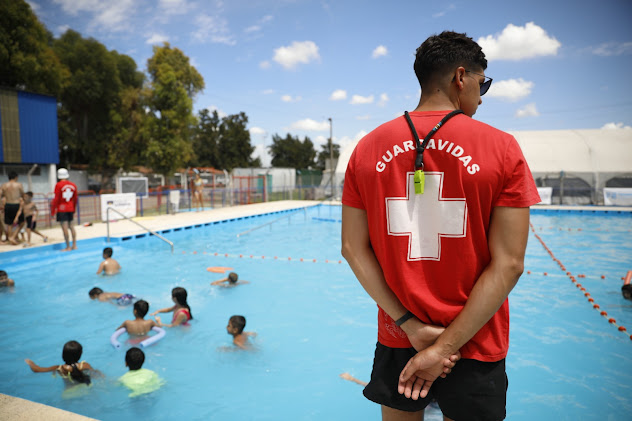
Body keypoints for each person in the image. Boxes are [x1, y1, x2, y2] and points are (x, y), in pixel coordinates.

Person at [341, 31, 540, 421]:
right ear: (460, 77)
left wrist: (411, 327)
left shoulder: (367, 148)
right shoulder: (501, 147)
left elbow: (351, 248)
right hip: (475, 338)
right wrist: (446, 346)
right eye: (483, 84)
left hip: (400, 334)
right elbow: (510, 264)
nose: (482, 96)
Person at [24, 340, 97, 387]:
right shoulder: (84, 365)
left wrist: (31, 363)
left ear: (63, 355)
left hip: (69, 393)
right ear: (80, 354)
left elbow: (37, 370)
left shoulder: (59, 368)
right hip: (85, 389)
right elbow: (95, 374)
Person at [50, 168, 78, 251]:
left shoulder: (58, 185)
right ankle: (74, 245)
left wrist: (53, 211)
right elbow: (75, 198)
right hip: (70, 208)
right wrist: (74, 209)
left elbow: (56, 199)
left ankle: (68, 246)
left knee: (65, 228)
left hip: (62, 209)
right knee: (72, 227)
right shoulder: (73, 185)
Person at [0, 171, 25, 244]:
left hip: (8, 205)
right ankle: (13, 237)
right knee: (22, 222)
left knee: (9, 224)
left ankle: (10, 238)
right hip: (16, 204)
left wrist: (1, 205)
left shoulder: (4, 185)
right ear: (16, 177)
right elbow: (22, 194)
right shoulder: (19, 185)